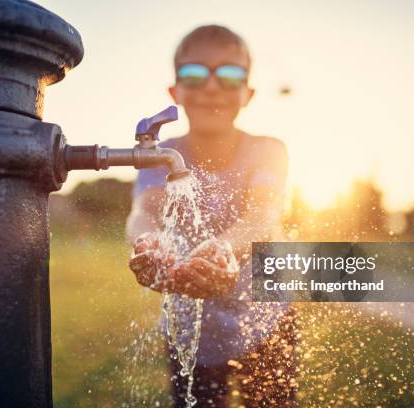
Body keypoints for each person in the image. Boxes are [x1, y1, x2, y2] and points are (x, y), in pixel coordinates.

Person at [126, 25, 298, 407]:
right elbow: (144, 213)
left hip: (266, 320)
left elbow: (262, 216)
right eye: (194, 74)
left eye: (230, 74)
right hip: (191, 325)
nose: (212, 86)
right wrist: (151, 244)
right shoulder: (159, 153)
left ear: (248, 93)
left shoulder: (267, 150)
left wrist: (222, 248)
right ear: (175, 91)